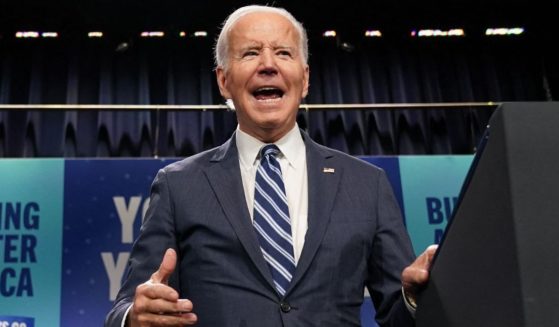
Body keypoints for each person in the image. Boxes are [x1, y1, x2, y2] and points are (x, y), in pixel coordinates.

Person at [105, 5, 437, 327]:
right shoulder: (178, 186)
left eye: (283, 53)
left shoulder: (367, 184)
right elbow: (123, 309)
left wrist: (413, 298)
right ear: (224, 81)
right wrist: (135, 317)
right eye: (250, 53)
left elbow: (399, 314)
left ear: (305, 79)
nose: (267, 65)